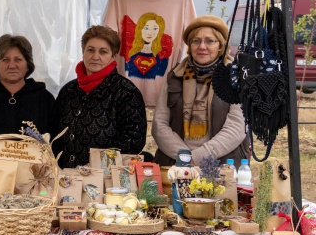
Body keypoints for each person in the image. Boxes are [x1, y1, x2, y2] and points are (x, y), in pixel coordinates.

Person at [151, 15, 248, 167]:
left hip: (223, 164)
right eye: (196, 41)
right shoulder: (175, 76)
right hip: (176, 164)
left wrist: (197, 158)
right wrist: (184, 158)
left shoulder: (236, 78)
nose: (202, 46)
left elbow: (237, 127)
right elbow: (159, 125)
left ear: (221, 46)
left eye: (210, 41)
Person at [54, 25, 147, 168]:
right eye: (90, 50)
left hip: (106, 181)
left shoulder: (126, 91)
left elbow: (134, 140)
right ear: (83, 52)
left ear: (113, 57)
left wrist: (98, 164)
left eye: (103, 52)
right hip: (65, 177)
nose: (95, 57)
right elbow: (55, 133)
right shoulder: (68, 91)